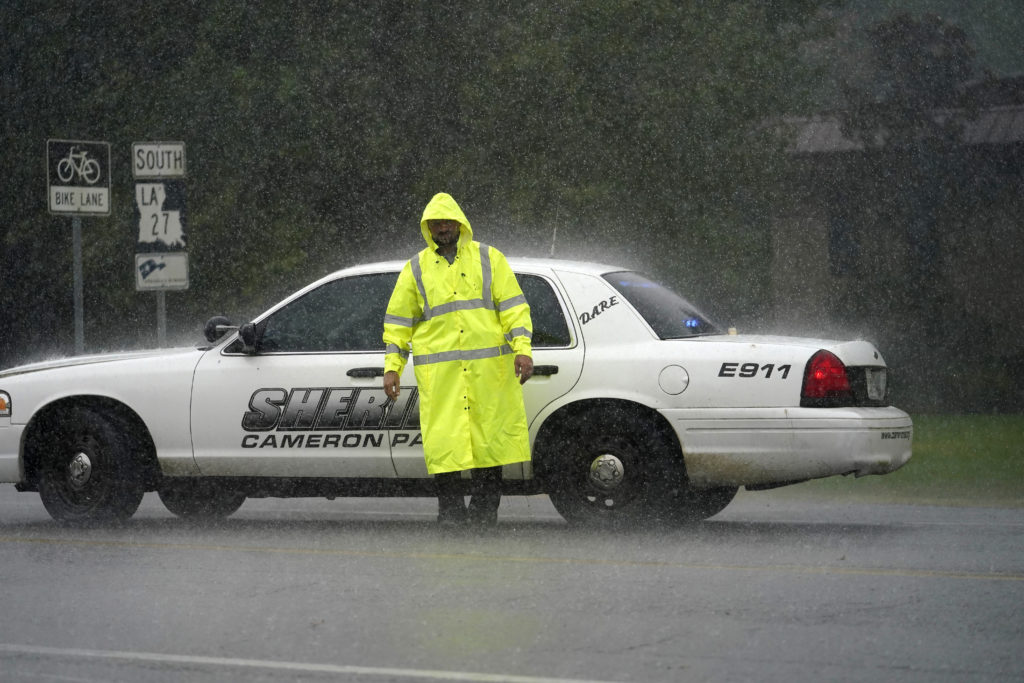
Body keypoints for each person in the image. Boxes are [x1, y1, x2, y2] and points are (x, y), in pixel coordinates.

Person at [382, 192, 533, 527]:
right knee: (446, 445)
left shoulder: (489, 258)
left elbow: (514, 308)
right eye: (435, 223)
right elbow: (398, 322)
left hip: (487, 374)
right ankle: (450, 513)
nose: (442, 228)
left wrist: (522, 348)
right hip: (443, 377)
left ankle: (483, 513)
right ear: (428, 228)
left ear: (460, 223)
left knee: (488, 445)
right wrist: (393, 367)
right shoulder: (416, 268)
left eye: (447, 221)